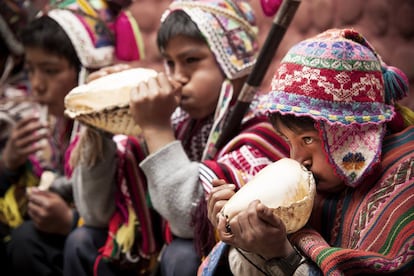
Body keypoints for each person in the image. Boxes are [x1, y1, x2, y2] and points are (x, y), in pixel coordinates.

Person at [201, 28, 414, 275]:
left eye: (308, 139)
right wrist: (236, 225)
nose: (298, 159)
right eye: (288, 141)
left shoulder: (404, 179)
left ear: (354, 136)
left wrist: (279, 254)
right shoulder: (320, 191)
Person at [127, 0, 289, 275]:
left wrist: (156, 128)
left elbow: (187, 219)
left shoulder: (267, 127)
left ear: (234, 60)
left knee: (182, 255)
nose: (177, 78)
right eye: (169, 63)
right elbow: (100, 212)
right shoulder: (180, 120)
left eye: (191, 60)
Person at [5, 0, 144, 275]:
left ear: (85, 73)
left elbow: (130, 219)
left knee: (71, 241)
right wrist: (7, 164)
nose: (37, 84)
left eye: (50, 71)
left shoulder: (122, 130)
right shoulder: (45, 126)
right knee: (23, 239)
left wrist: (70, 220)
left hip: (120, 249)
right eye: (31, 70)